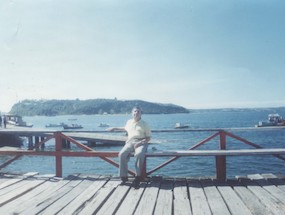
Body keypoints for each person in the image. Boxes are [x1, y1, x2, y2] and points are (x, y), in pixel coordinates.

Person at [107, 106, 151, 188]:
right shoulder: (129, 122)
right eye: (135, 111)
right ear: (132, 113)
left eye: (138, 112)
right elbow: (125, 128)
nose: (136, 113)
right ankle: (123, 177)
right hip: (130, 142)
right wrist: (114, 128)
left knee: (139, 154)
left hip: (141, 142)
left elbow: (148, 138)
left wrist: (141, 142)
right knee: (122, 154)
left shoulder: (145, 124)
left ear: (141, 113)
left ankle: (138, 177)